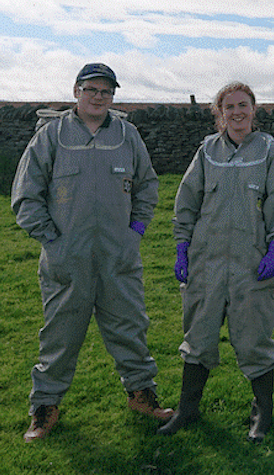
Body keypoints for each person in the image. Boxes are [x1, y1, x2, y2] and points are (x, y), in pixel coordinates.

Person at [11, 63, 173, 442]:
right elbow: (25, 196)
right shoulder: (51, 137)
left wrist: (135, 232)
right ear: (76, 92)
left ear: (113, 96)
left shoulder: (127, 135)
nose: (98, 97)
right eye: (92, 90)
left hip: (119, 257)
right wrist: (53, 242)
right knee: (60, 336)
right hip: (68, 260)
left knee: (130, 327)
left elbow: (147, 186)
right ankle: (45, 407)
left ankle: (141, 394)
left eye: (106, 91)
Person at [158, 81, 274, 443]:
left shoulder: (268, 151)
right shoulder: (207, 151)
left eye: (243, 105)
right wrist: (182, 249)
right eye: (229, 106)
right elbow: (186, 203)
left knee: (253, 340)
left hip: (251, 265)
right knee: (198, 337)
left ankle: (262, 413)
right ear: (219, 113)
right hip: (206, 263)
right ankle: (187, 410)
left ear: (254, 109)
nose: (237, 112)